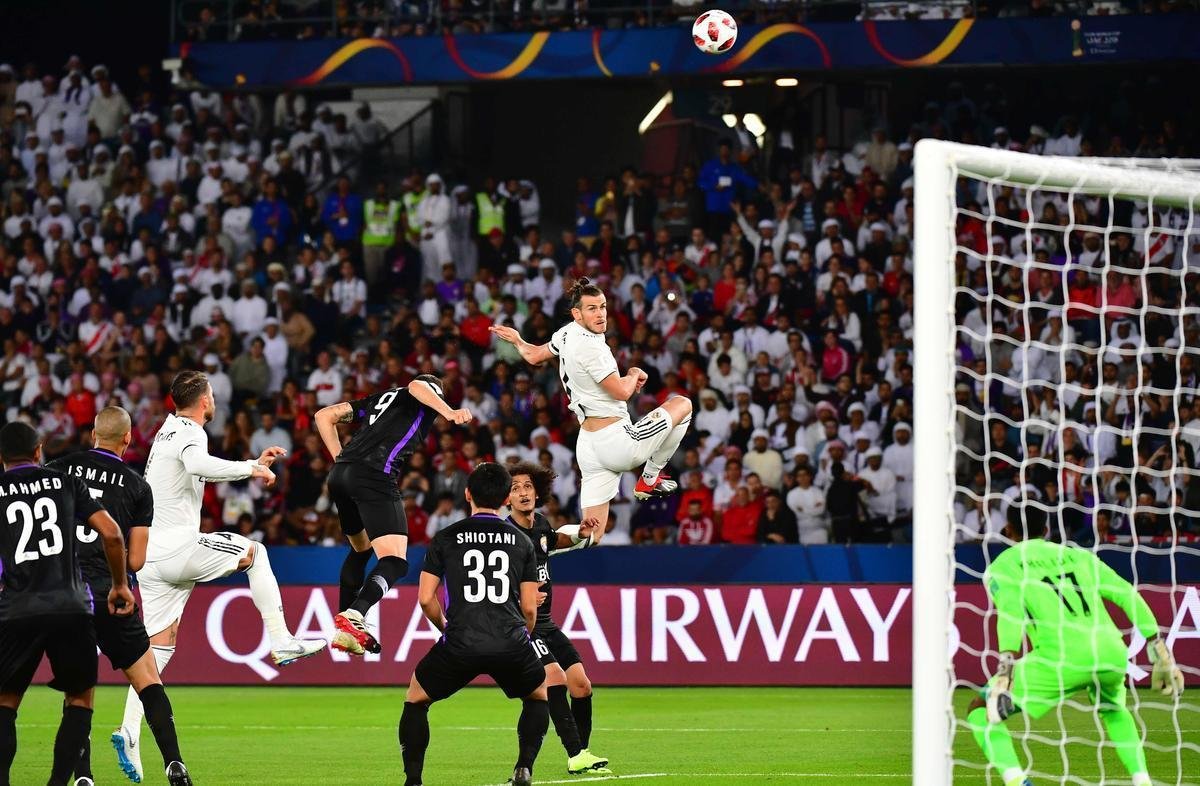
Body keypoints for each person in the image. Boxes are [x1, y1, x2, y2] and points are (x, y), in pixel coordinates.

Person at [116, 371, 325, 781]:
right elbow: (199, 465)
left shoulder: (166, 432)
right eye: (211, 395)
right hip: (176, 547)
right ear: (203, 401)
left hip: (150, 556)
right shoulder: (191, 432)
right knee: (255, 553)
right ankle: (281, 641)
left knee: (157, 650)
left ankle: (129, 731)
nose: (214, 400)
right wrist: (252, 468)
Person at [967, 504, 1185, 786]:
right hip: (1110, 652)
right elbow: (1126, 593)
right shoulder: (1078, 556)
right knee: (1114, 710)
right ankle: (1142, 780)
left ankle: (1017, 782)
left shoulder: (1003, 566)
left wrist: (1005, 670)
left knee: (979, 708)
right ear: (1046, 530)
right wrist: (1159, 651)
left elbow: (1011, 613)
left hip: (1060, 657)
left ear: (1008, 531)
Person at [47, 408, 192, 786]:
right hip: (111, 592)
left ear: (93, 433)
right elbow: (138, 560)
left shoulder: (58, 470)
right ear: (128, 439)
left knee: (78, 692)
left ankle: (83, 776)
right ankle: (175, 764)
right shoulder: (137, 487)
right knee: (148, 680)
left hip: (66, 595)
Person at [490, 277, 692, 541]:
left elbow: (534, 355)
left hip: (588, 445)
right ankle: (650, 478)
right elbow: (622, 392)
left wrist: (518, 341)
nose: (600, 314)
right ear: (577, 313)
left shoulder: (566, 333)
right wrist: (633, 372)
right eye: (592, 309)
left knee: (591, 534)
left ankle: (537, 542)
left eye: (603, 307)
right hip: (616, 440)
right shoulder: (591, 348)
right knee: (683, 404)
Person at [0, 421, 135, 786]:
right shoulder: (66, 483)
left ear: (1, 457)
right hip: (72, 605)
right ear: (38, 451)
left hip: (16, 608)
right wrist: (119, 585)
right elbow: (112, 533)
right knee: (79, 699)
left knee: (5, 703)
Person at [400, 463, 549, 786]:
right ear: (506, 498)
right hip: (510, 640)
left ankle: (413, 780)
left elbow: (425, 599)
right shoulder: (522, 541)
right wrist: (522, 636)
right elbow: (529, 607)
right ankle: (523, 767)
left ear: (467, 494)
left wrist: (445, 628)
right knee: (538, 695)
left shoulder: (445, 537)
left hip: (460, 642)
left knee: (416, 699)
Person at [313, 374, 473, 656]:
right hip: (374, 475)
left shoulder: (377, 400)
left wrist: (340, 460)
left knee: (361, 549)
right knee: (395, 562)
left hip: (340, 474)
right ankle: (355, 614)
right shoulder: (421, 393)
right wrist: (449, 412)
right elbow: (416, 386)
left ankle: (345, 628)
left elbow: (324, 415)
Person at [506, 462, 608, 775]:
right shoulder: (505, 536)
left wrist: (580, 534)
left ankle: (582, 754)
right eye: (515, 488)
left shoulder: (540, 525)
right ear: (506, 498)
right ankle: (575, 754)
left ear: (537, 492)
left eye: (527, 486)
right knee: (555, 678)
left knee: (582, 685)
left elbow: (553, 541)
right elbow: (496, 584)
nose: (523, 493)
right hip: (524, 625)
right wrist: (521, 600)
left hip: (547, 623)